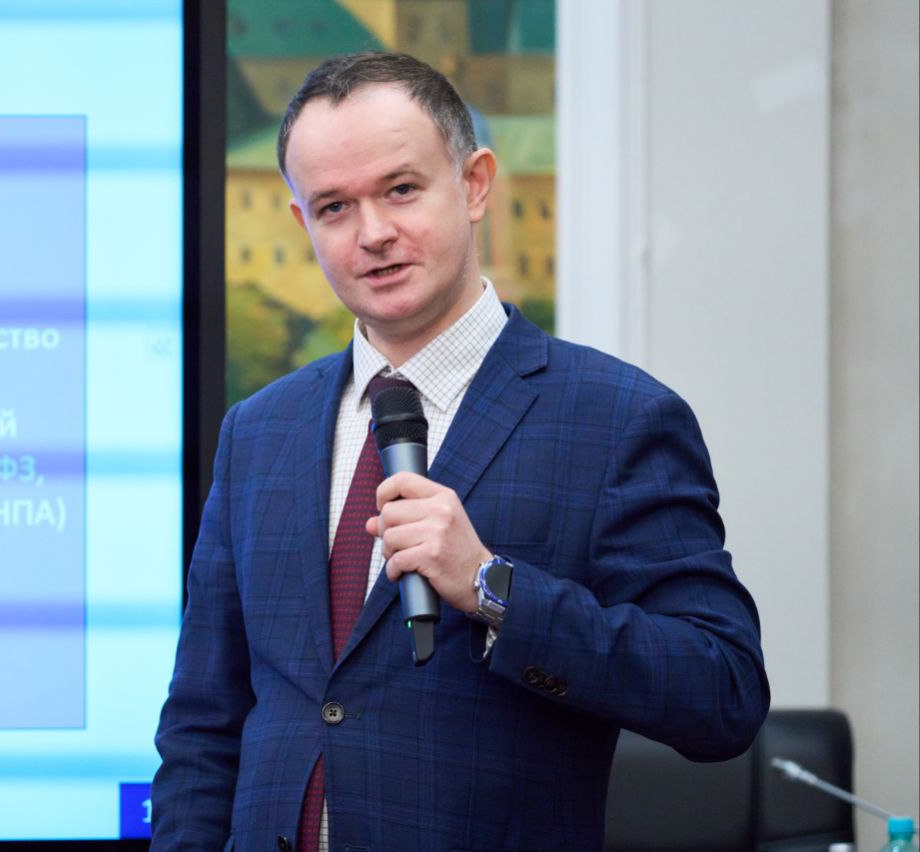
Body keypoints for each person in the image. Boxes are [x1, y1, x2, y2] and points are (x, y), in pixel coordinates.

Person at [152, 52, 769, 851]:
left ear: (475, 184)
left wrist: (491, 587)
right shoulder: (258, 432)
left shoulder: (617, 418)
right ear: (305, 226)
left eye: (401, 190)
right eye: (335, 207)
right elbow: (203, 727)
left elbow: (721, 691)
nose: (373, 233)